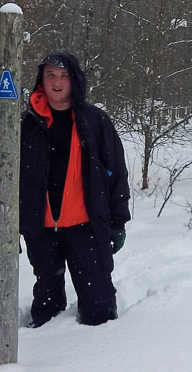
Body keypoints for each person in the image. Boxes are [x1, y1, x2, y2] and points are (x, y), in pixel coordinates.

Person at [19, 50, 130, 327]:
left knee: (99, 310)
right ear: (41, 81)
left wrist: (118, 222)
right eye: (50, 76)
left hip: (87, 228)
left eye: (63, 76)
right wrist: (12, 225)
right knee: (45, 311)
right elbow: (12, 179)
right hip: (42, 230)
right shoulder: (28, 125)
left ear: (74, 80)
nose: (57, 82)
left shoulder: (95, 122)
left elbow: (116, 172)